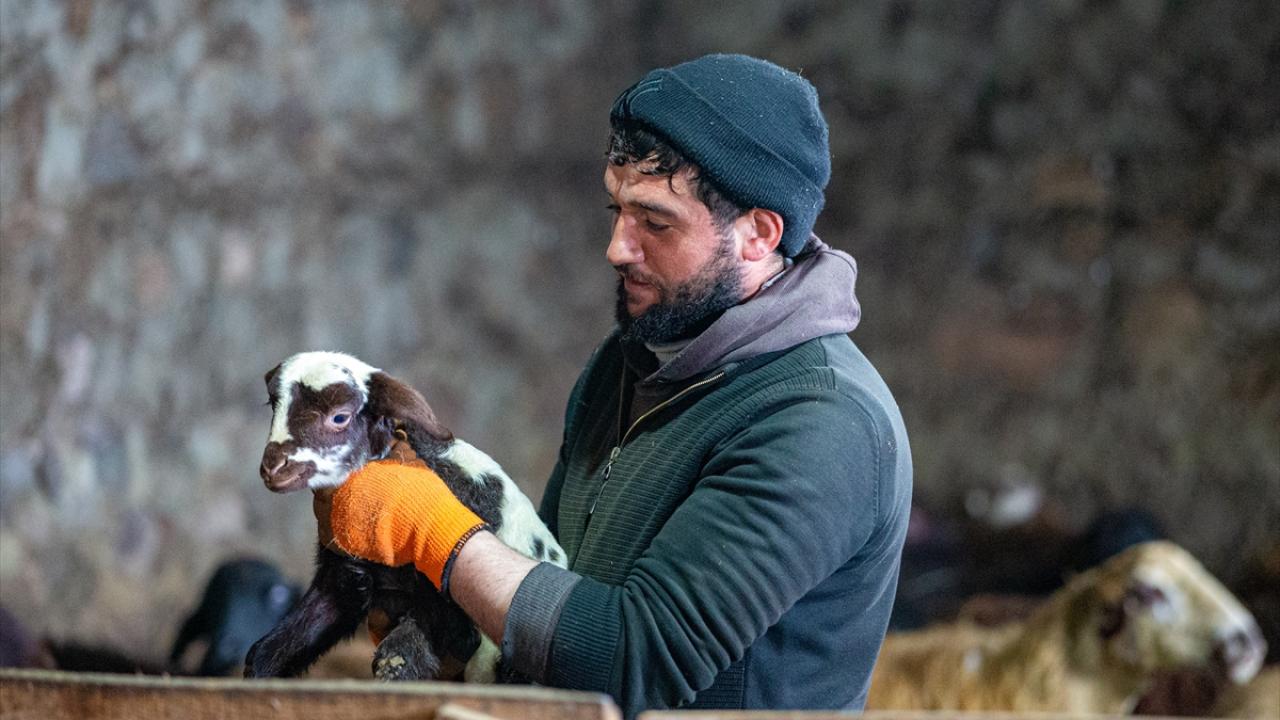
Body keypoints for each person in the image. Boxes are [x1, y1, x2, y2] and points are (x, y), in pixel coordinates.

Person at [327, 53, 913, 716]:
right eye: (618, 209)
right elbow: (548, 567)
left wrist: (435, 533)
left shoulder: (821, 421)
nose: (617, 247)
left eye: (655, 223)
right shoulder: (631, 360)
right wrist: (442, 624)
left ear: (757, 234)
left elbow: (633, 658)